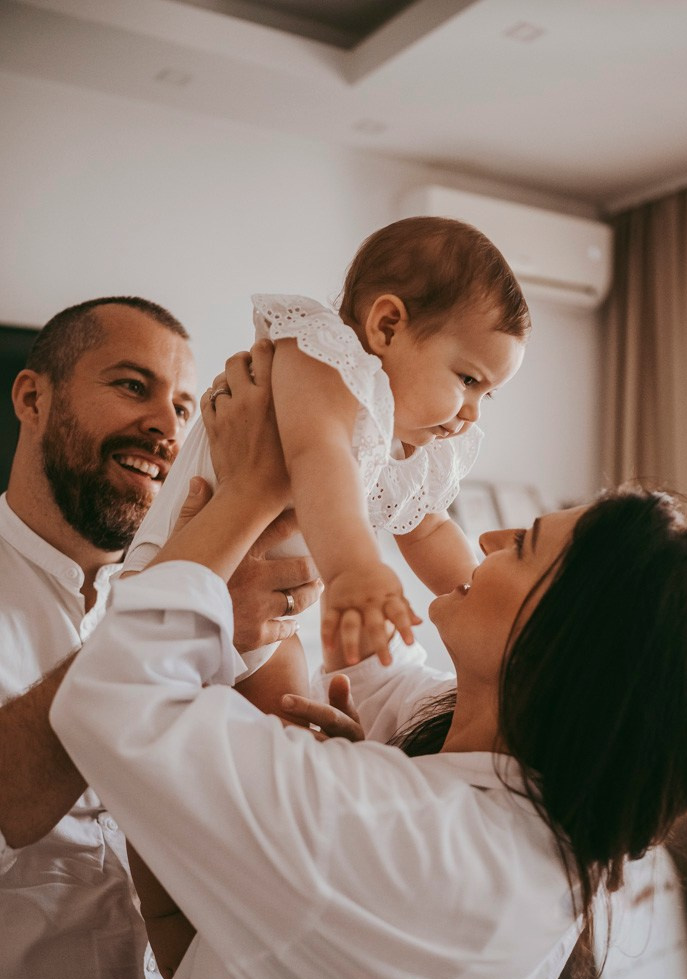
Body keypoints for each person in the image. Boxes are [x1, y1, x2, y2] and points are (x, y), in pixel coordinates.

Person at [49, 341, 687, 979]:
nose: (491, 535)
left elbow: (113, 696)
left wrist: (248, 490)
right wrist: (320, 464)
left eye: (526, 544)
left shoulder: (421, 841)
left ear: (564, 648)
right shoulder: (505, 784)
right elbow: (377, 670)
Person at [0, 299, 321, 979]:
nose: (163, 425)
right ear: (33, 397)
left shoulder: (200, 588)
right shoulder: (186, 589)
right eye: (130, 386)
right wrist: (186, 588)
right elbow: (9, 799)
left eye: (183, 407)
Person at [123, 216, 530, 684]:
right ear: (388, 325)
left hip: (268, 627)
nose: (474, 411)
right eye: (468, 380)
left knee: (293, 722)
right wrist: (354, 570)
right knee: (143, 688)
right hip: (176, 561)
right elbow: (320, 456)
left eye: (487, 394)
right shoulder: (323, 355)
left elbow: (427, 528)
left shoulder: (400, 438)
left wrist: (478, 591)